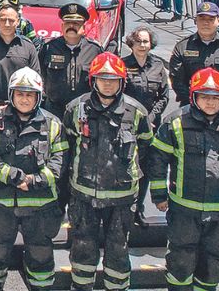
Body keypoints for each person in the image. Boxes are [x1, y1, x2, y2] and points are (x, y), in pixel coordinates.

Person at [151, 68, 219, 291]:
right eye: (205, 97)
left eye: (215, 98)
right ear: (194, 97)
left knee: (214, 261)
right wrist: (159, 195)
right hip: (184, 209)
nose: (210, 103)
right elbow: (158, 161)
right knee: (180, 258)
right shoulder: (176, 123)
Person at [61, 53, 154, 291]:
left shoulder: (137, 112)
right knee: (82, 249)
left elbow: (145, 151)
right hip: (84, 196)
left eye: (113, 79)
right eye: (103, 78)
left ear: (122, 82)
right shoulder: (75, 109)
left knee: (118, 250)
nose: (108, 83)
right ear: (93, 80)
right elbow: (66, 150)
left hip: (121, 199)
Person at [0, 68, 66, 291]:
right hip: (1, 205)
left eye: (29, 94)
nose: (24, 99)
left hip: (40, 208)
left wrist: (34, 181)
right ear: (11, 95)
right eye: (19, 94)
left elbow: (60, 161)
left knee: (41, 257)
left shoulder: (53, 124)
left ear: (38, 97)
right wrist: (14, 177)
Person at [120, 26, 168, 225]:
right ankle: (125, 208)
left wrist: (150, 117)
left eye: (145, 41)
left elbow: (163, 97)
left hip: (151, 126)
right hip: (127, 125)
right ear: (131, 43)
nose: (142, 45)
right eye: (138, 41)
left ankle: (138, 207)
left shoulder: (158, 66)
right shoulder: (123, 65)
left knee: (146, 168)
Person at [169, 2, 219, 104]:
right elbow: (177, 80)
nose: (206, 23)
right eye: (202, 19)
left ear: (218, 21)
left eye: (210, 19)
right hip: (190, 106)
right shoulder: (182, 47)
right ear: (196, 21)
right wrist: (196, 101)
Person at [37, 3, 104, 119]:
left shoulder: (94, 50)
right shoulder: (49, 48)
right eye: (68, 23)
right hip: (54, 111)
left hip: (85, 110)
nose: (71, 26)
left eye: (76, 24)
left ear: (83, 28)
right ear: (62, 26)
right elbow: (40, 74)